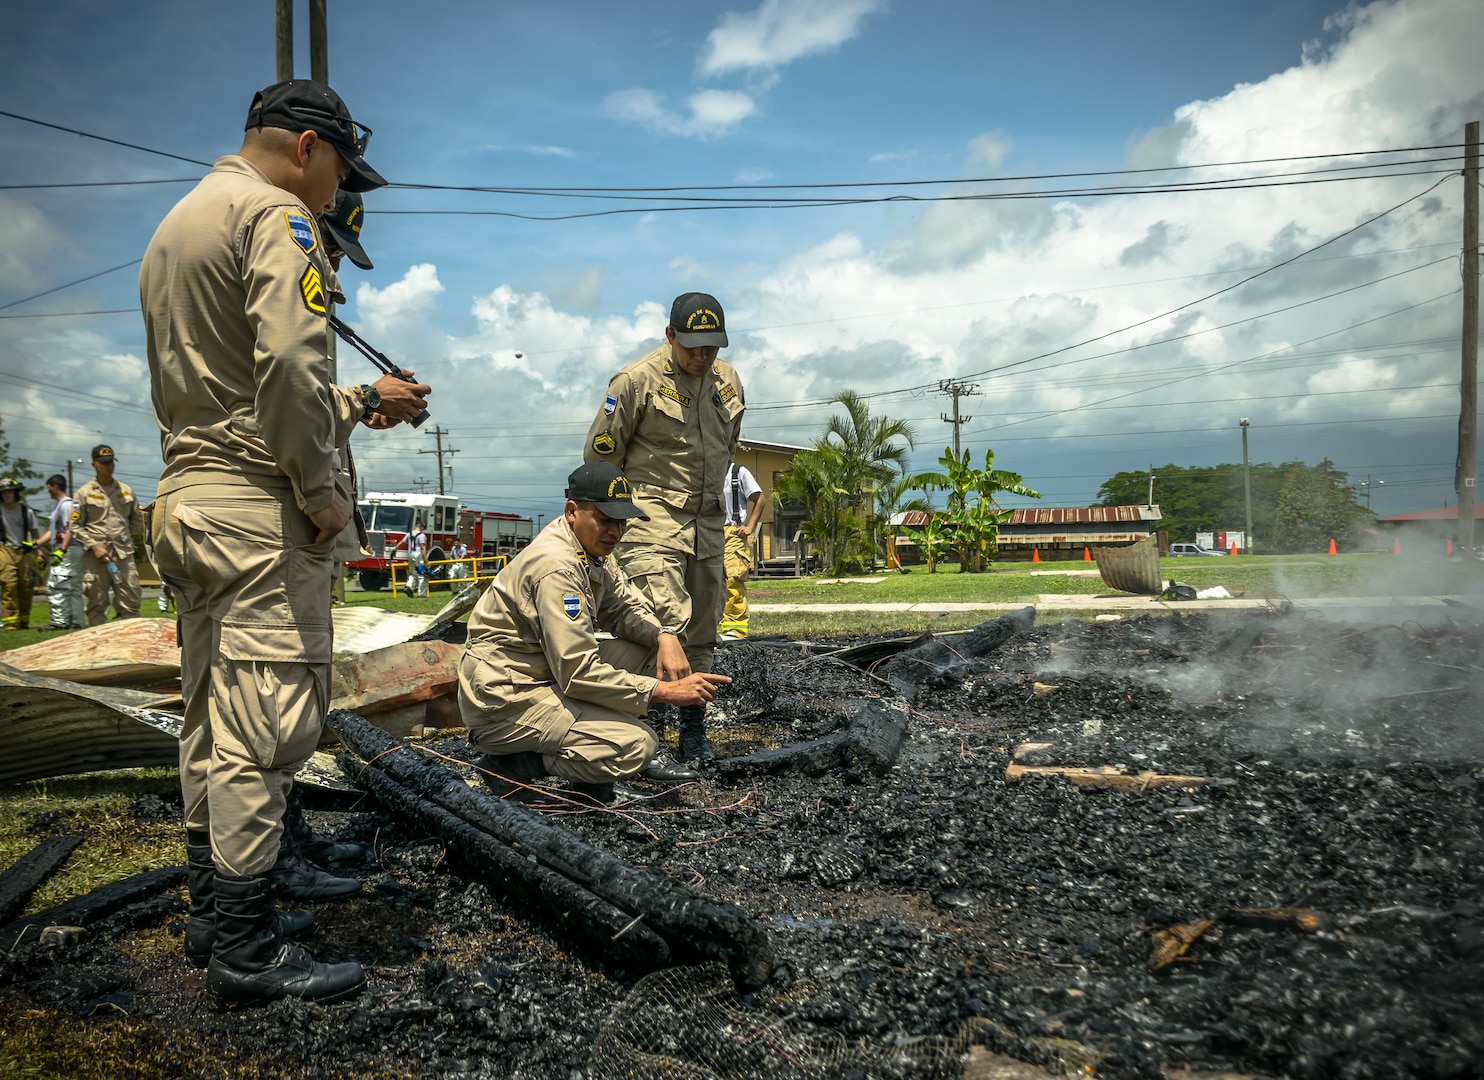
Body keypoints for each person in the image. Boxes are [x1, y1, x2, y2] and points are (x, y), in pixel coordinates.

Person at [141, 78, 428, 1003]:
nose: (340, 190)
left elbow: (228, 385)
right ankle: (247, 949)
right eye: (342, 166)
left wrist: (345, 410)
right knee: (264, 727)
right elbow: (291, 371)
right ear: (308, 146)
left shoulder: (179, 222)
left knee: (209, 717)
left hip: (192, 497)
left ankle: (211, 909)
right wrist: (322, 491)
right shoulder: (278, 218)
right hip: (259, 508)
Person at [459, 462, 729, 805]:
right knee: (635, 745)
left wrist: (664, 634)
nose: (615, 531)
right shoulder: (556, 566)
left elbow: (623, 608)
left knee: (653, 650)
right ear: (573, 511)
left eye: (621, 521)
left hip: (542, 675)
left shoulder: (591, 550)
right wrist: (664, 691)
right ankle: (512, 765)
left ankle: (595, 767)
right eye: (605, 519)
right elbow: (578, 673)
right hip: (505, 699)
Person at [584, 292, 745, 762]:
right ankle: (643, 732)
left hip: (709, 521)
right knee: (658, 621)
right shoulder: (636, 382)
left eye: (712, 346)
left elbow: (727, 447)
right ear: (670, 334)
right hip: (651, 518)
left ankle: (693, 730)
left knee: (702, 628)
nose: (702, 356)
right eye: (692, 345)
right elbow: (600, 458)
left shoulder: (729, 382)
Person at [71, 445, 143, 626]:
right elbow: (75, 526)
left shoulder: (126, 491)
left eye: (111, 462)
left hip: (123, 555)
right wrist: (94, 546)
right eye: (103, 462)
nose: (108, 466)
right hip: (96, 558)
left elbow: (138, 521)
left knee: (131, 604)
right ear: (94, 464)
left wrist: (125, 537)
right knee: (97, 604)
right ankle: (98, 649)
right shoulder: (83, 494)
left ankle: (131, 646)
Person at [718, 462, 765, 641]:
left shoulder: (737, 472)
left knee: (732, 578)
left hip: (734, 531)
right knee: (712, 581)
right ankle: (717, 627)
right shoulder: (705, 470)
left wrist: (750, 526)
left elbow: (760, 498)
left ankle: (735, 630)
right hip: (711, 531)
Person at [37, 474, 83, 630]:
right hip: (71, 549)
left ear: (55, 487)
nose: (48, 491)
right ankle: (76, 622)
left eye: (49, 488)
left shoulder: (65, 505)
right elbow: (53, 531)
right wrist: (34, 544)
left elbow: (70, 528)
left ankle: (59, 621)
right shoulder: (61, 506)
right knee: (73, 588)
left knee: (56, 585)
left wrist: (61, 550)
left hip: (67, 549)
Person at [0, 478, 40, 631]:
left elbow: (35, 534)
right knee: (9, 584)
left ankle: (23, 621)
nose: (6, 495)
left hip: (24, 550)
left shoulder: (26, 512)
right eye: (3, 492)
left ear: (15, 493)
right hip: (4, 550)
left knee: (25, 586)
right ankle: (10, 623)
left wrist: (40, 553)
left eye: (9, 491)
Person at [405, 519, 429, 597]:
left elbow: (402, 542)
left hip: (410, 554)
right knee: (423, 574)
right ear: (421, 527)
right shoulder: (422, 536)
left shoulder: (409, 534)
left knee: (413, 573)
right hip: (418, 555)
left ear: (415, 526)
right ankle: (421, 594)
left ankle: (409, 586)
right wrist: (425, 559)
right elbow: (423, 548)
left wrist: (394, 549)